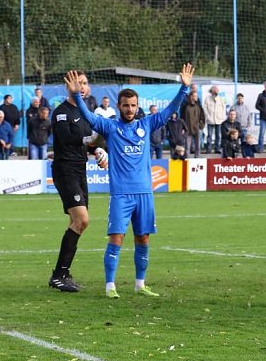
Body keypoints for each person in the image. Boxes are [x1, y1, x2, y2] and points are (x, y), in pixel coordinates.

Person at [63, 63, 193, 299]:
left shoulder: (146, 124)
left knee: (143, 238)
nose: (130, 109)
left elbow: (170, 110)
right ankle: (110, 286)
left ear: (137, 106)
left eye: (133, 105)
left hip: (145, 193)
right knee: (117, 238)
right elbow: (88, 116)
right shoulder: (110, 127)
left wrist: (184, 88)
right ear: (119, 107)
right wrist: (75, 95)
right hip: (121, 195)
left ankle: (140, 284)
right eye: (126, 105)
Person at [48, 70, 109, 292]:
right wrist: (94, 139)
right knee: (82, 220)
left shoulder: (86, 114)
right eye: (77, 83)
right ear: (68, 86)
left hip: (80, 171)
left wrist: (100, 151)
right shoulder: (61, 112)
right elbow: (67, 138)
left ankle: (62, 273)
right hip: (65, 171)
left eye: (84, 83)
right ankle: (58, 275)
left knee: (78, 223)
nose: (81, 86)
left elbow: (90, 143)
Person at [180, 90, 205, 158]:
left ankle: (197, 160)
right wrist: (183, 128)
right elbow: (181, 118)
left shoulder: (199, 106)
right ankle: (187, 161)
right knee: (187, 147)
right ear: (191, 97)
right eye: (195, 96)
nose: (196, 97)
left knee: (198, 147)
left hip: (197, 129)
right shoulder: (185, 106)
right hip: (187, 129)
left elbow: (202, 117)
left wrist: (201, 126)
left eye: (197, 96)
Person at [203, 86, 225, 154]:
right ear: (211, 91)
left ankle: (217, 148)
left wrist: (222, 117)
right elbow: (205, 108)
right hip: (210, 119)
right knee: (209, 135)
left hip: (219, 120)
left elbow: (223, 108)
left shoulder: (221, 98)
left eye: (217, 90)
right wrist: (207, 116)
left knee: (218, 135)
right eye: (214, 89)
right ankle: (209, 149)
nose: (216, 91)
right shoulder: (207, 98)